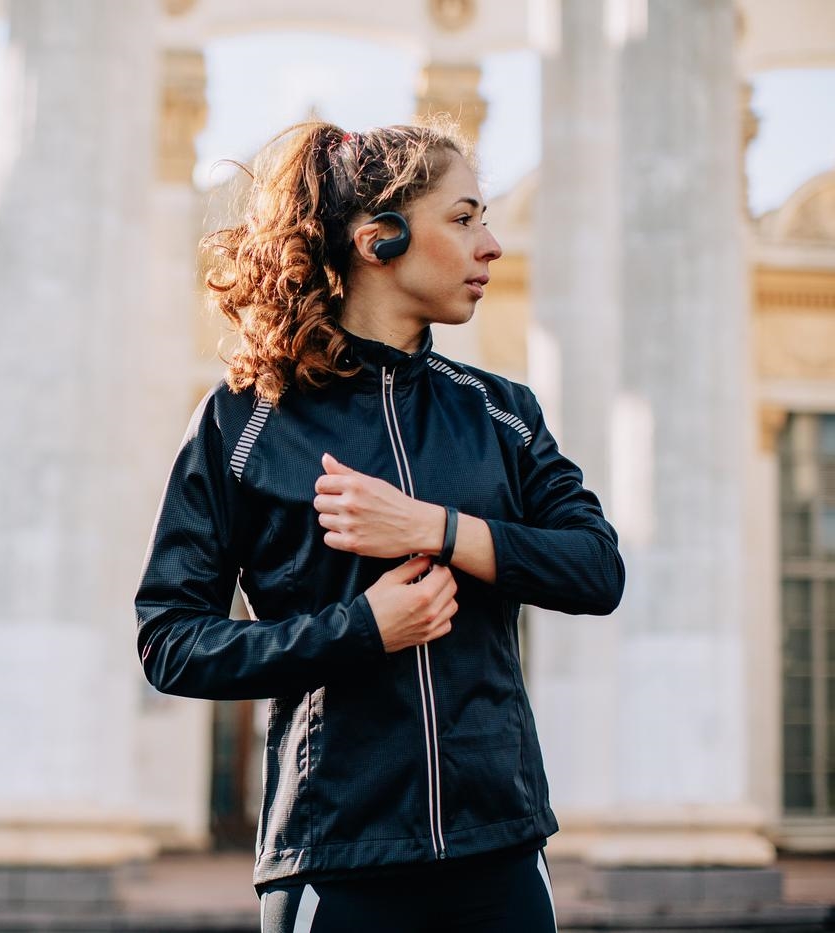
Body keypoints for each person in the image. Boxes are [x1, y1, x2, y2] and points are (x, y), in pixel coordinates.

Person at [134, 120, 625, 933]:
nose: (492, 244)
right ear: (378, 239)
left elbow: (597, 569)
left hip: (500, 852)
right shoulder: (243, 422)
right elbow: (171, 640)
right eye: (463, 218)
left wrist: (435, 527)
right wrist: (362, 629)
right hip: (337, 862)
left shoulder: (502, 412)